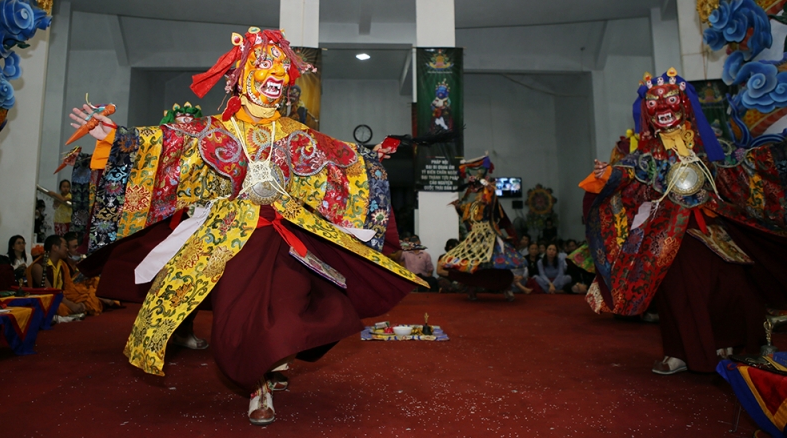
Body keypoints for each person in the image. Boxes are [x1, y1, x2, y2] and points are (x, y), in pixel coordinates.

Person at [70, 27, 423, 426]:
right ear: (241, 75)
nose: (277, 75)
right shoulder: (213, 129)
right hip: (230, 236)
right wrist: (115, 138)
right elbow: (164, 144)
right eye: (265, 64)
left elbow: (337, 158)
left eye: (282, 67)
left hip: (285, 234)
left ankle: (263, 380)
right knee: (240, 319)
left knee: (292, 308)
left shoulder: (292, 132)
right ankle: (260, 377)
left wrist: (368, 161)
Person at [580, 68, 787, 375]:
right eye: (653, 103)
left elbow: (735, 164)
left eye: (670, 100)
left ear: (684, 103)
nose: (662, 108)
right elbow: (631, 172)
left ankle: (727, 340)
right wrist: (609, 175)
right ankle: (679, 352)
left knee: (734, 284)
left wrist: (775, 156)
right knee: (680, 287)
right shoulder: (646, 151)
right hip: (666, 231)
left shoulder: (707, 143)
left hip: (712, 224)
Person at [440, 154, 524, 302]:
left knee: (496, 264)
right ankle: (472, 289)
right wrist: (458, 208)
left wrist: (489, 190)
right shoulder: (470, 205)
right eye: (473, 187)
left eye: (476, 187)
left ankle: (506, 289)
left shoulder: (490, 200)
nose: (474, 190)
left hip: (490, 236)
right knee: (471, 264)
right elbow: (468, 221)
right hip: (475, 237)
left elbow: (501, 217)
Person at [29, 235, 86, 321]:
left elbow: (69, 288)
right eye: (65, 246)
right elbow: (51, 292)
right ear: (55, 247)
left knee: (86, 300)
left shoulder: (63, 265)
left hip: (62, 298)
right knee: (57, 308)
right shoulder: (38, 267)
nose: (67, 250)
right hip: (48, 300)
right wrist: (71, 305)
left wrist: (76, 301)